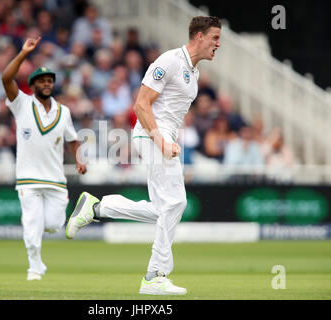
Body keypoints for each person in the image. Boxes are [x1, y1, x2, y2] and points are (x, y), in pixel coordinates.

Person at [66, 16, 222, 295]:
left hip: (162, 138)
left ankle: (96, 208)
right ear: (199, 36)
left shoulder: (193, 72)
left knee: (165, 209)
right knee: (175, 203)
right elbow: (140, 105)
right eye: (214, 38)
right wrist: (161, 140)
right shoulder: (170, 61)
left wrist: (168, 140)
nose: (218, 44)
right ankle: (154, 276)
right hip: (151, 137)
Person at [1, 36, 87, 281]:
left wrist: (79, 159)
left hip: (56, 180)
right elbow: (6, 78)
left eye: (50, 80)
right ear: (33, 84)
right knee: (32, 223)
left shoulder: (64, 111)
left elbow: (72, 139)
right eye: (42, 81)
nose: (47, 84)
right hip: (28, 179)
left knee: (52, 225)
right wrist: (23, 53)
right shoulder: (22, 104)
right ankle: (34, 266)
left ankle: (38, 260)